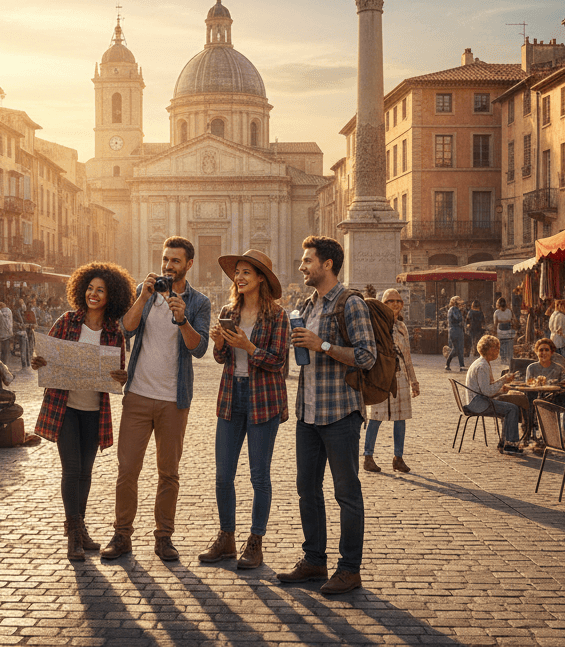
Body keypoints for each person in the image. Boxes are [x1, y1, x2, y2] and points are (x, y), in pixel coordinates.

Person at [101, 236, 211, 563]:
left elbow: (200, 348)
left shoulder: (199, 303)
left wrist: (182, 319)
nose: (167, 266)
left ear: (188, 264)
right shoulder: (143, 292)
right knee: (127, 470)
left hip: (174, 400)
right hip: (137, 394)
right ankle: (122, 535)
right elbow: (125, 329)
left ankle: (164, 538)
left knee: (169, 472)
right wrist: (143, 296)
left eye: (175, 261)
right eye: (165, 260)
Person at [278, 236, 375, 596]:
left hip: (340, 413)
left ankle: (350, 569)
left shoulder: (351, 304)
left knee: (347, 493)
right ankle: (314, 559)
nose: (302, 266)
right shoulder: (308, 304)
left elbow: (367, 356)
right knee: (307, 490)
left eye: (308, 261)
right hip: (309, 413)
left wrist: (323, 345)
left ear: (328, 264)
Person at [32, 262, 134, 561]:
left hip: (94, 410)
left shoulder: (115, 332)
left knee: (86, 472)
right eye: (89, 288)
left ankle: (82, 527)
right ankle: (73, 535)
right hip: (65, 408)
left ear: (110, 296)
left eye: (100, 290)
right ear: (81, 290)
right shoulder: (66, 321)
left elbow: (120, 370)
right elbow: (44, 356)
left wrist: (122, 377)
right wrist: (39, 361)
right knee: (72, 469)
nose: (93, 294)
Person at [198, 250, 289, 571]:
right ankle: (226, 538)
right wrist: (220, 343)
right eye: (237, 272)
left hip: (263, 398)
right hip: (230, 397)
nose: (239, 277)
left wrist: (248, 348)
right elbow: (221, 360)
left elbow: (278, 361)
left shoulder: (278, 316)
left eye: (247, 272)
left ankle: (255, 542)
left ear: (261, 278)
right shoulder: (228, 311)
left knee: (259, 476)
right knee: (223, 475)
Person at [362, 288, 419, 475]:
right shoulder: (375, 325)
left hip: (400, 376)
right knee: (376, 417)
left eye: (398, 301)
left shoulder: (402, 327)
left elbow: (407, 356)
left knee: (401, 418)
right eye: (390, 301)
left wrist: (414, 381)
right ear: (382, 304)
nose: (395, 304)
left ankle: (398, 458)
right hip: (381, 376)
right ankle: (368, 456)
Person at [464, 334, 525, 454]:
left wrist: (502, 386)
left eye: (498, 347)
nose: (498, 350)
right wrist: (503, 380)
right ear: (487, 349)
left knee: (508, 406)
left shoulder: (483, 362)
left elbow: (487, 388)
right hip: (478, 403)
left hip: (477, 400)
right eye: (495, 348)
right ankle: (511, 445)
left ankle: (504, 442)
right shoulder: (482, 366)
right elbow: (487, 391)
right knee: (512, 408)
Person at [445, 296, 466, 372]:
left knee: (460, 348)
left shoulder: (457, 309)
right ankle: (448, 362)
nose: (460, 301)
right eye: (458, 300)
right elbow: (457, 318)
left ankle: (462, 366)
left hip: (458, 330)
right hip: (454, 330)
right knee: (456, 348)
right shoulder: (453, 309)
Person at [493, 297, 516, 367]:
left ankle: (503, 358)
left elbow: (495, 323)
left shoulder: (496, 312)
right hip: (508, 330)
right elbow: (512, 320)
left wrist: (494, 331)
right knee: (508, 345)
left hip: (500, 331)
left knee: (501, 345)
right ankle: (509, 358)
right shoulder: (509, 311)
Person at [0, 298, 14, 363]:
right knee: (3, 353)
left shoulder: (5, 311)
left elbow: (7, 323)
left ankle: (2, 366)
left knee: (2, 352)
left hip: (3, 336)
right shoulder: (6, 311)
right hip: (4, 336)